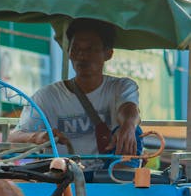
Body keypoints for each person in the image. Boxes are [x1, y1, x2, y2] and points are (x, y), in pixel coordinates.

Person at [9, 18, 141, 161]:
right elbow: (14, 138)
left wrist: (128, 126)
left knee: (137, 132)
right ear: (69, 52)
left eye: (90, 49)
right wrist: (37, 137)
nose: (82, 55)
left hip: (108, 177)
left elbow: (128, 108)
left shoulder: (121, 87)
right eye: (76, 48)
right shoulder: (46, 97)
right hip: (62, 176)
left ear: (108, 53)